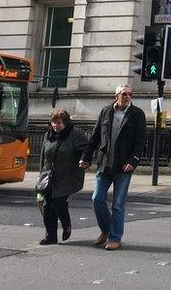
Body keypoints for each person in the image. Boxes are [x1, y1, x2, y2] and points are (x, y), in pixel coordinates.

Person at [79, 83, 147, 251]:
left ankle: (115, 238)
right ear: (116, 95)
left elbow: (140, 141)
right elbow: (95, 136)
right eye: (124, 94)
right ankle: (106, 229)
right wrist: (85, 157)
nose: (127, 97)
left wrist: (134, 161)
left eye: (130, 94)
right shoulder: (106, 111)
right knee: (97, 199)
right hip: (105, 163)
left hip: (124, 166)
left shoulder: (137, 114)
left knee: (118, 203)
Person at [37, 108, 88, 245]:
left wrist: (83, 160)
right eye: (53, 123)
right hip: (49, 176)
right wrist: (41, 176)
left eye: (58, 123)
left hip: (67, 175)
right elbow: (44, 156)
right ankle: (50, 236)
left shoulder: (76, 134)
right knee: (48, 207)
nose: (55, 126)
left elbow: (86, 151)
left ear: (65, 122)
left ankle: (66, 225)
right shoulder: (49, 134)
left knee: (59, 203)